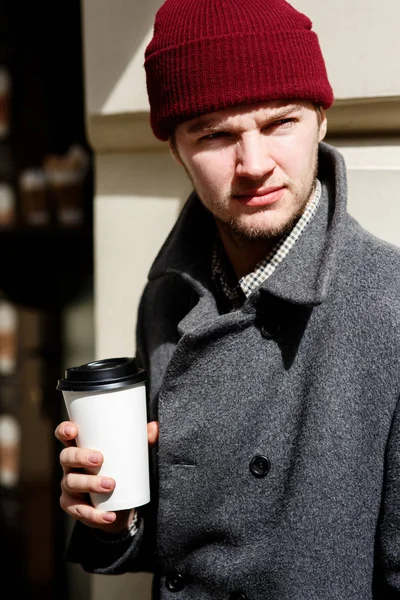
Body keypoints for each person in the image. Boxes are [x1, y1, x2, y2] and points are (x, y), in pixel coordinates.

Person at [54, 0, 400, 598]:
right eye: (215, 135)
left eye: (279, 123)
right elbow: (190, 542)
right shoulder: (167, 297)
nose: (254, 164)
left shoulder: (387, 304)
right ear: (177, 151)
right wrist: (113, 516)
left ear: (321, 118)